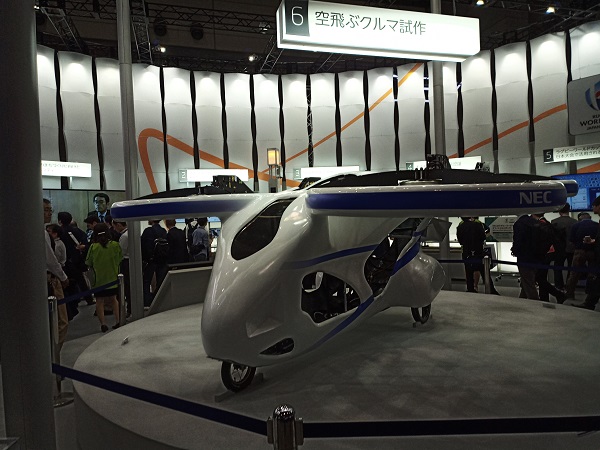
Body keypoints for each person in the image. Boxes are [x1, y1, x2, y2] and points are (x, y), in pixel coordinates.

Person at [85, 223, 123, 332]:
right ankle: (118, 320)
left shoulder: (93, 247)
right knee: (114, 300)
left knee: (99, 301)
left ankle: (103, 324)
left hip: (98, 280)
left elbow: (88, 262)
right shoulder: (115, 245)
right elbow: (120, 259)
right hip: (113, 278)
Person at [44, 198, 69, 348]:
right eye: (45, 210)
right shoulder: (42, 233)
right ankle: (53, 355)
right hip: (50, 280)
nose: (48, 213)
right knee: (61, 320)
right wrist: (63, 277)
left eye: (50, 210)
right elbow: (51, 260)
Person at [533, 213, 566, 303]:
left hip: (543, 255)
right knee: (542, 277)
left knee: (539, 277)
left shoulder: (540, 224)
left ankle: (557, 294)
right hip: (548, 254)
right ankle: (544, 297)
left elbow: (541, 242)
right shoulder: (546, 223)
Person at [573, 197, 600, 310]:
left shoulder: (576, 226)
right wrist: (594, 241)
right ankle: (589, 302)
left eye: (594, 205)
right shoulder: (597, 223)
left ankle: (589, 303)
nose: (593, 207)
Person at [564, 212, 599, 299]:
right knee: (593, 273)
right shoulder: (597, 225)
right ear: (590, 217)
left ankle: (569, 294)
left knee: (574, 274)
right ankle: (590, 294)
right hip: (593, 252)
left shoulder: (575, 226)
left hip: (579, 251)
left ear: (579, 219)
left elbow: (571, 240)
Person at [141, 220, 168, 307]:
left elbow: (143, 246)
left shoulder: (148, 231)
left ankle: (147, 302)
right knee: (160, 282)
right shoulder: (163, 231)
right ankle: (159, 301)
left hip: (150, 261)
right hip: (162, 260)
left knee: (146, 282)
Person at [550, 204, 577, 290]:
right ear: (569, 210)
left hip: (559, 249)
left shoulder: (554, 222)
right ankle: (569, 287)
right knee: (571, 268)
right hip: (572, 248)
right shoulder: (575, 222)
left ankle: (559, 286)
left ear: (559, 210)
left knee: (557, 267)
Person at [112, 219, 131, 315]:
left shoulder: (124, 236)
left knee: (127, 287)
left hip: (125, 262)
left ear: (119, 225)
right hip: (129, 261)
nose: (114, 229)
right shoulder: (130, 233)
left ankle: (129, 309)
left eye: (114, 226)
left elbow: (121, 252)